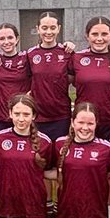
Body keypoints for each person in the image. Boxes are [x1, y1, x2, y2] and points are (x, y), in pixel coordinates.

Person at [0, 93, 54, 218]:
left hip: (32, 204)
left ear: (34, 116)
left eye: (26, 114)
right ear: (10, 113)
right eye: (17, 113)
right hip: (8, 204)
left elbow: (48, 171)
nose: (21, 118)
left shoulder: (45, 142)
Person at [52, 102, 110, 218]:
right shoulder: (60, 144)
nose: (85, 127)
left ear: (96, 124)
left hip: (93, 214)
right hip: (68, 213)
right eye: (81, 122)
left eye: (90, 123)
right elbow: (52, 171)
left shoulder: (106, 148)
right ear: (73, 122)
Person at [71, 16, 110, 142]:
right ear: (87, 36)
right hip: (84, 122)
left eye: (104, 34)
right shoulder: (76, 58)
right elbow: (61, 83)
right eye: (94, 34)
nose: (99, 38)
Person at [28, 11, 73, 142]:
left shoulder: (67, 53)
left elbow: (74, 79)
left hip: (61, 116)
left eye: (53, 28)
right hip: (38, 116)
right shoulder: (30, 54)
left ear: (59, 28)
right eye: (44, 28)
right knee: (40, 157)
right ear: (38, 29)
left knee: (60, 157)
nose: (48, 32)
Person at [0, 23, 30, 134]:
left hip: (21, 116)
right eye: (2, 38)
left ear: (17, 39)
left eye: (10, 37)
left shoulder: (27, 58)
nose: (6, 42)